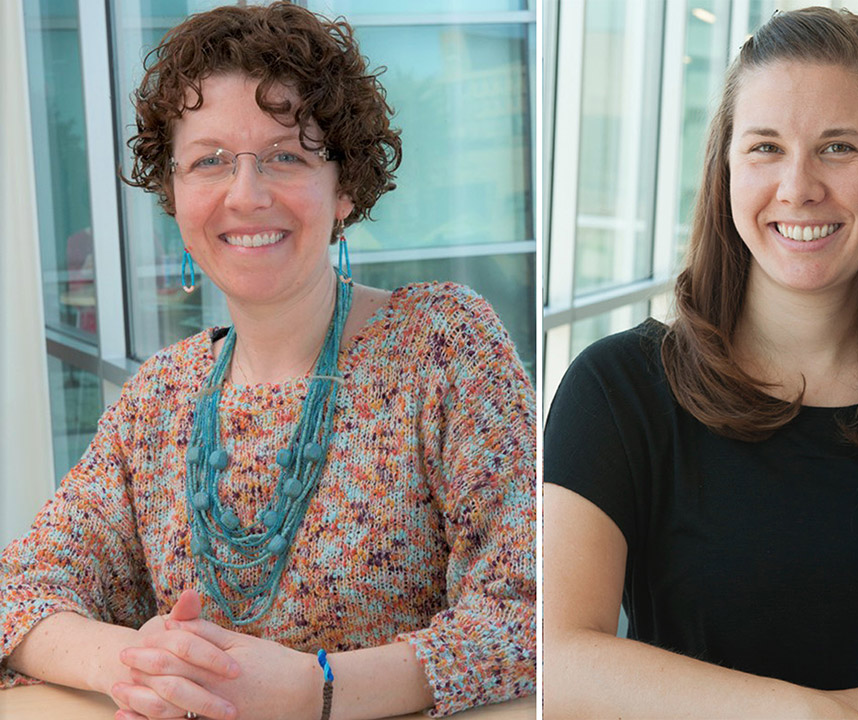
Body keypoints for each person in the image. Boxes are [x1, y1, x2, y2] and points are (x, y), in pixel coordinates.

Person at [1, 3, 535, 719]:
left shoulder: (444, 345)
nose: (246, 194)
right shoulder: (161, 395)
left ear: (344, 188)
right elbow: (20, 590)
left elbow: (531, 611)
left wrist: (316, 687)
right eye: (210, 161)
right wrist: (133, 664)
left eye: (286, 156)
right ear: (176, 195)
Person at [544, 7, 858, 719]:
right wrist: (799, 715)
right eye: (764, 147)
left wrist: (853, 719)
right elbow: (558, 655)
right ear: (725, 168)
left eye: (839, 147)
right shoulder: (615, 390)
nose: (798, 186)